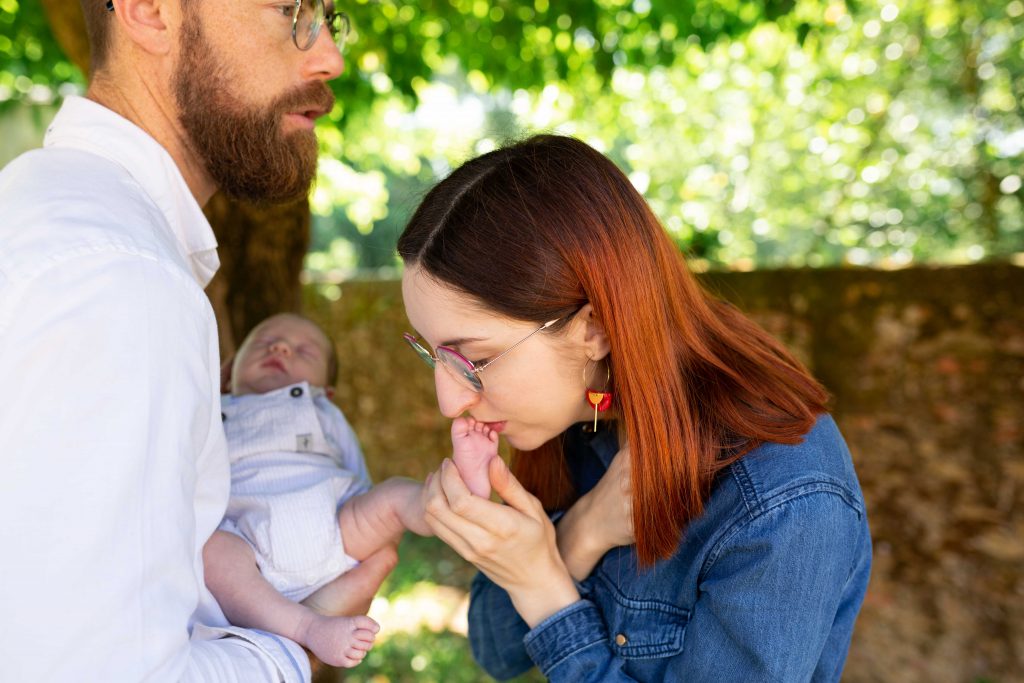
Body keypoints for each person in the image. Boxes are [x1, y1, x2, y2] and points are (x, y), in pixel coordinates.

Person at [0, 1, 391, 681]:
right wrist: (296, 646)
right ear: (150, 11)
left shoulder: (41, 208)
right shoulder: (120, 281)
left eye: (327, 16)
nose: (330, 57)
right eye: (289, 9)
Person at [397, 135, 872, 682]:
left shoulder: (785, 501)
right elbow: (494, 649)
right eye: (432, 355)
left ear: (594, 329)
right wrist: (581, 533)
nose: (449, 400)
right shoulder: (581, 412)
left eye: (474, 359)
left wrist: (542, 587)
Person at [204, 312, 441, 668]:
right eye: (263, 342)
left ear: (326, 391)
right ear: (229, 370)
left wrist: (371, 518)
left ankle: (441, 508)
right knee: (212, 552)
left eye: (305, 351)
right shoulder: (211, 410)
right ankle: (308, 626)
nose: (280, 348)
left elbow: (355, 470)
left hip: (331, 527)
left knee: (392, 495)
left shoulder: (325, 412)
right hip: (244, 544)